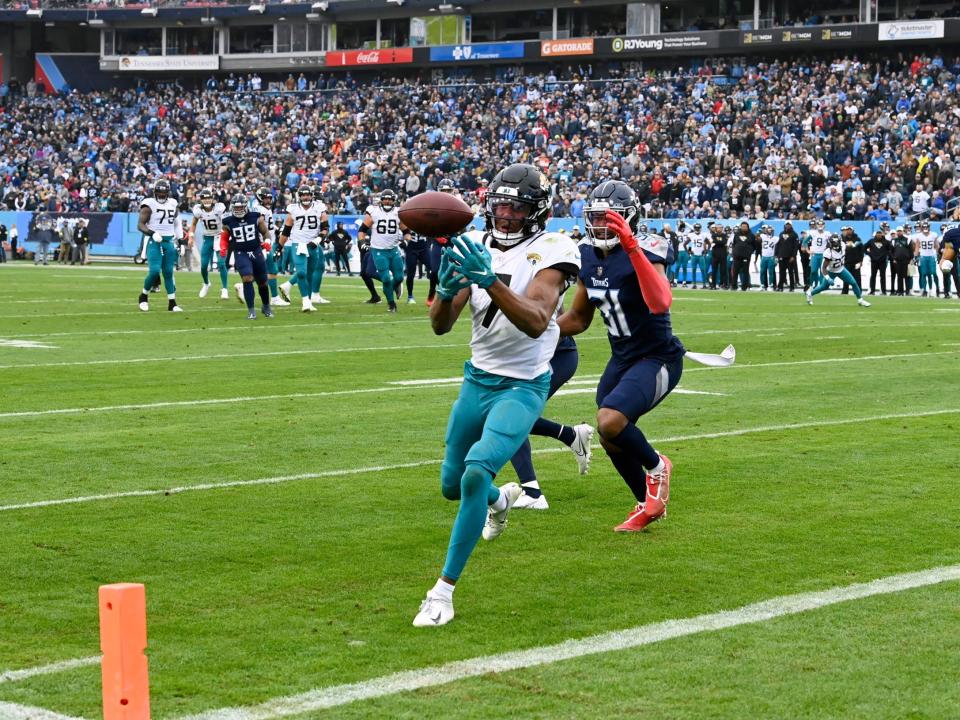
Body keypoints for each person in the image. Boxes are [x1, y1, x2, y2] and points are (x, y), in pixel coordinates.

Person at [413, 163, 580, 627]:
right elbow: (442, 326)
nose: (504, 215)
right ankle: (500, 501)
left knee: (473, 473)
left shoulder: (554, 249)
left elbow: (536, 320)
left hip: (522, 385)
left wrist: (489, 280)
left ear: (537, 211)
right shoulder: (478, 245)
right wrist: (446, 293)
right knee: (451, 486)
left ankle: (443, 591)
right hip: (476, 380)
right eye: (499, 205)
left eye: (515, 207)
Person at [558, 179, 681, 533]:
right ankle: (646, 503)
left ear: (630, 219)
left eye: (610, 219)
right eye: (596, 218)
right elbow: (579, 318)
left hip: (658, 356)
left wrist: (631, 247)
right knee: (609, 433)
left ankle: (658, 467)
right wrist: (539, 331)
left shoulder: (648, 247)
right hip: (623, 358)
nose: (601, 226)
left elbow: (660, 302)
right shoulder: (586, 255)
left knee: (611, 420)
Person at [511, 334, 594, 510]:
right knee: (506, 413)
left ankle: (532, 493)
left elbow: (565, 320)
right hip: (525, 361)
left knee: (513, 415)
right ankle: (570, 436)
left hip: (556, 356)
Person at [220, 194, 274, 320]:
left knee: (262, 282)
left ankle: (266, 306)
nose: (238, 210)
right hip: (240, 252)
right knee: (247, 278)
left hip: (256, 250)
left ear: (246, 206)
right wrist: (223, 247)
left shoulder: (255, 216)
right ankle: (251, 311)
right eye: (236, 208)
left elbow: (265, 233)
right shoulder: (228, 221)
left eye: (241, 207)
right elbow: (224, 238)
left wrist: (267, 242)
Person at [278, 185, 329, 312]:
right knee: (301, 273)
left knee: (310, 274)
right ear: (299, 196)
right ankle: (305, 301)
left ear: (311, 195)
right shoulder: (293, 209)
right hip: (298, 244)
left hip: (313, 244)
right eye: (303, 195)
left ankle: (309, 301)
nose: (305, 197)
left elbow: (325, 228)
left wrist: (318, 239)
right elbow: (286, 231)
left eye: (307, 194)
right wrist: (279, 247)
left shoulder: (319, 208)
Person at [358, 189, 409, 313]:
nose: (387, 201)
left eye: (390, 199)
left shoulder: (398, 213)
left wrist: (406, 241)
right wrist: (362, 242)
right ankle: (391, 304)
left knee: (399, 278)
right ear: (381, 200)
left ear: (393, 200)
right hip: (378, 250)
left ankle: (389, 291)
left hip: (394, 250)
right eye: (385, 198)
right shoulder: (374, 212)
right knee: (385, 278)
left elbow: (406, 232)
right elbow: (362, 230)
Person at [136, 179, 182, 312]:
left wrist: (181, 241)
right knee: (155, 271)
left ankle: (172, 303)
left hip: (169, 241)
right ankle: (143, 296)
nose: (162, 195)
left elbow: (177, 223)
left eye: (164, 193)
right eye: (159, 193)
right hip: (154, 241)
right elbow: (140, 225)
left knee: (168, 272)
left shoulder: (173, 203)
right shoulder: (148, 204)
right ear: (155, 192)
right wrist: (152, 233)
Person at [805, 234, 870, 307]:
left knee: (853, 282)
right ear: (830, 243)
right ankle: (809, 293)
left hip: (841, 269)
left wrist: (855, 244)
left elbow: (849, 245)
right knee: (824, 287)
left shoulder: (843, 245)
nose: (835, 244)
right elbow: (823, 268)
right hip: (831, 271)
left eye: (836, 242)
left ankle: (860, 300)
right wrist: (828, 278)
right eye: (833, 243)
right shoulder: (828, 252)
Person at [252, 186, 289, 306]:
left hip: (265, 242)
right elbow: (260, 225)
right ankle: (274, 297)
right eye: (265, 198)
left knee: (262, 269)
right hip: (265, 243)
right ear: (259, 198)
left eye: (269, 198)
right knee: (272, 269)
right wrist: (264, 242)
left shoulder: (261, 208)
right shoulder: (261, 210)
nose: (268, 200)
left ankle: (244, 286)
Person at [426, 178, 460, 306]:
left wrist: (455, 237)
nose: (446, 192)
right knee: (434, 270)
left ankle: (443, 295)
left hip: (451, 242)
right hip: (438, 242)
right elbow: (428, 225)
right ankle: (431, 292)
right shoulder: (434, 205)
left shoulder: (457, 204)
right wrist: (435, 236)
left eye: (448, 190)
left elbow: (461, 224)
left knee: (450, 270)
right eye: (443, 190)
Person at [191, 188, 227, 299]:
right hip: (207, 239)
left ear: (213, 198)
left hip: (219, 237)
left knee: (221, 263)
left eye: (209, 198)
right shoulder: (198, 210)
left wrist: (225, 232)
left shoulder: (219, 208)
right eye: (204, 198)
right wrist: (191, 236)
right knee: (203, 266)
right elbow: (193, 224)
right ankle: (206, 284)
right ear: (201, 200)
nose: (207, 200)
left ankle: (224, 289)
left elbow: (225, 222)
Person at [912, 220, 940, 297]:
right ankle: (924, 290)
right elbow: (917, 248)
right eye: (924, 227)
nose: (925, 228)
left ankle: (937, 288)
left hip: (931, 256)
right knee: (923, 274)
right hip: (923, 257)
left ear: (929, 227)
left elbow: (937, 246)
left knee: (933, 273)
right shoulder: (919, 236)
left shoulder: (934, 235)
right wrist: (915, 257)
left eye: (926, 226)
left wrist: (938, 255)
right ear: (922, 227)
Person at [403, 229, 430, 304]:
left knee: (433, 269)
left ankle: (439, 292)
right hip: (411, 248)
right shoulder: (407, 219)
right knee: (411, 274)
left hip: (424, 248)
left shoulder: (425, 218)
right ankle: (410, 296)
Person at [729, 221, 755, 291]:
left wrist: (749, 252)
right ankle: (734, 286)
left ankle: (744, 287)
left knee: (745, 272)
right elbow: (734, 244)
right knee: (735, 272)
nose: (744, 228)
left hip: (746, 257)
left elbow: (754, 246)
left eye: (745, 227)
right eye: (742, 226)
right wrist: (734, 252)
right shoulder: (737, 234)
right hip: (737, 256)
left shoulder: (751, 235)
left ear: (748, 227)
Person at [840, 227, 865, 295]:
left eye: (850, 230)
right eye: (847, 230)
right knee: (845, 277)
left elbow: (862, 251)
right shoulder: (843, 239)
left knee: (857, 278)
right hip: (846, 261)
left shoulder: (858, 239)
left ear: (853, 231)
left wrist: (861, 261)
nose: (849, 231)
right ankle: (845, 291)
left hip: (856, 262)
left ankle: (859, 291)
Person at [776, 221, 800, 291]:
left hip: (790, 257)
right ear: (784, 225)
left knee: (790, 273)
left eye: (789, 225)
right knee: (781, 272)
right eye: (787, 225)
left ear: (791, 226)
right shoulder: (781, 233)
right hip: (782, 256)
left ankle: (792, 287)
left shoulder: (794, 234)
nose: (788, 226)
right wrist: (777, 255)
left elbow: (796, 246)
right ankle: (780, 287)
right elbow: (779, 245)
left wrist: (793, 256)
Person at [866, 230, 890, 295]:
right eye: (878, 233)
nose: (879, 235)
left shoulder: (886, 242)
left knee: (883, 276)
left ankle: (883, 291)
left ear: (882, 234)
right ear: (876, 234)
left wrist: (886, 255)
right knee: (873, 276)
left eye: (880, 233)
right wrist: (870, 254)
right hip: (874, 261)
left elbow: (890, 249)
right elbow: (863, 247)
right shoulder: (871, 241)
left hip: (883, 262)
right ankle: (872, 291)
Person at [808, 218, 830, 289]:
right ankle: (811, 284)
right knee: (813, 271)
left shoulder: (827, 234)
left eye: (821, 224)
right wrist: (808, 250)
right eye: (819, 224)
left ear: (824, 225)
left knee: (822, 271)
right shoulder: (813, 233)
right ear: (816, 225)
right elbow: (805, 242)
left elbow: (832, 242)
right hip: (815, 254)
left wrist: (829, 250)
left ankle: (821, 286)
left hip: (823, 255)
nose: (820, 225)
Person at [939, 224, 960, 297]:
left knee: (956, 277)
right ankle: (946, 292)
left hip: (954, 259)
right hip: (950, 259)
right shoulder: (944, 241)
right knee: (946, 275)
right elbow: (941, 251)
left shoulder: (950, 236)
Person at [757, 224, 778, 290]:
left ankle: (770, 285)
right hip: (764, 256)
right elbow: (757, 237)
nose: (769, 230)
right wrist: (759, 233)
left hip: (771, 257)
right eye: (768, 229)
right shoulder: (762, 236)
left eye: (770, 229)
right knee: (762, 271)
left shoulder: (776, 238)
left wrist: (776, 257)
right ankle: (762, 285)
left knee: (771, 272)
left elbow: (778, 247)